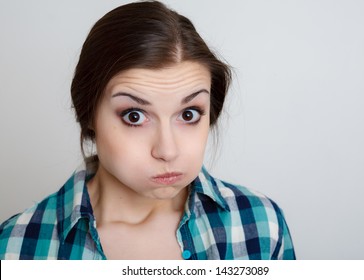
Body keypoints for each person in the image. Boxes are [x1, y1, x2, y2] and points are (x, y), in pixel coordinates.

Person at [0, 1, 295, 260]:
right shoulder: (16, 247)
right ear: (89, 113)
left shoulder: (260, 225)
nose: (167, 150)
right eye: (135, 116)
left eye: (189, 114)